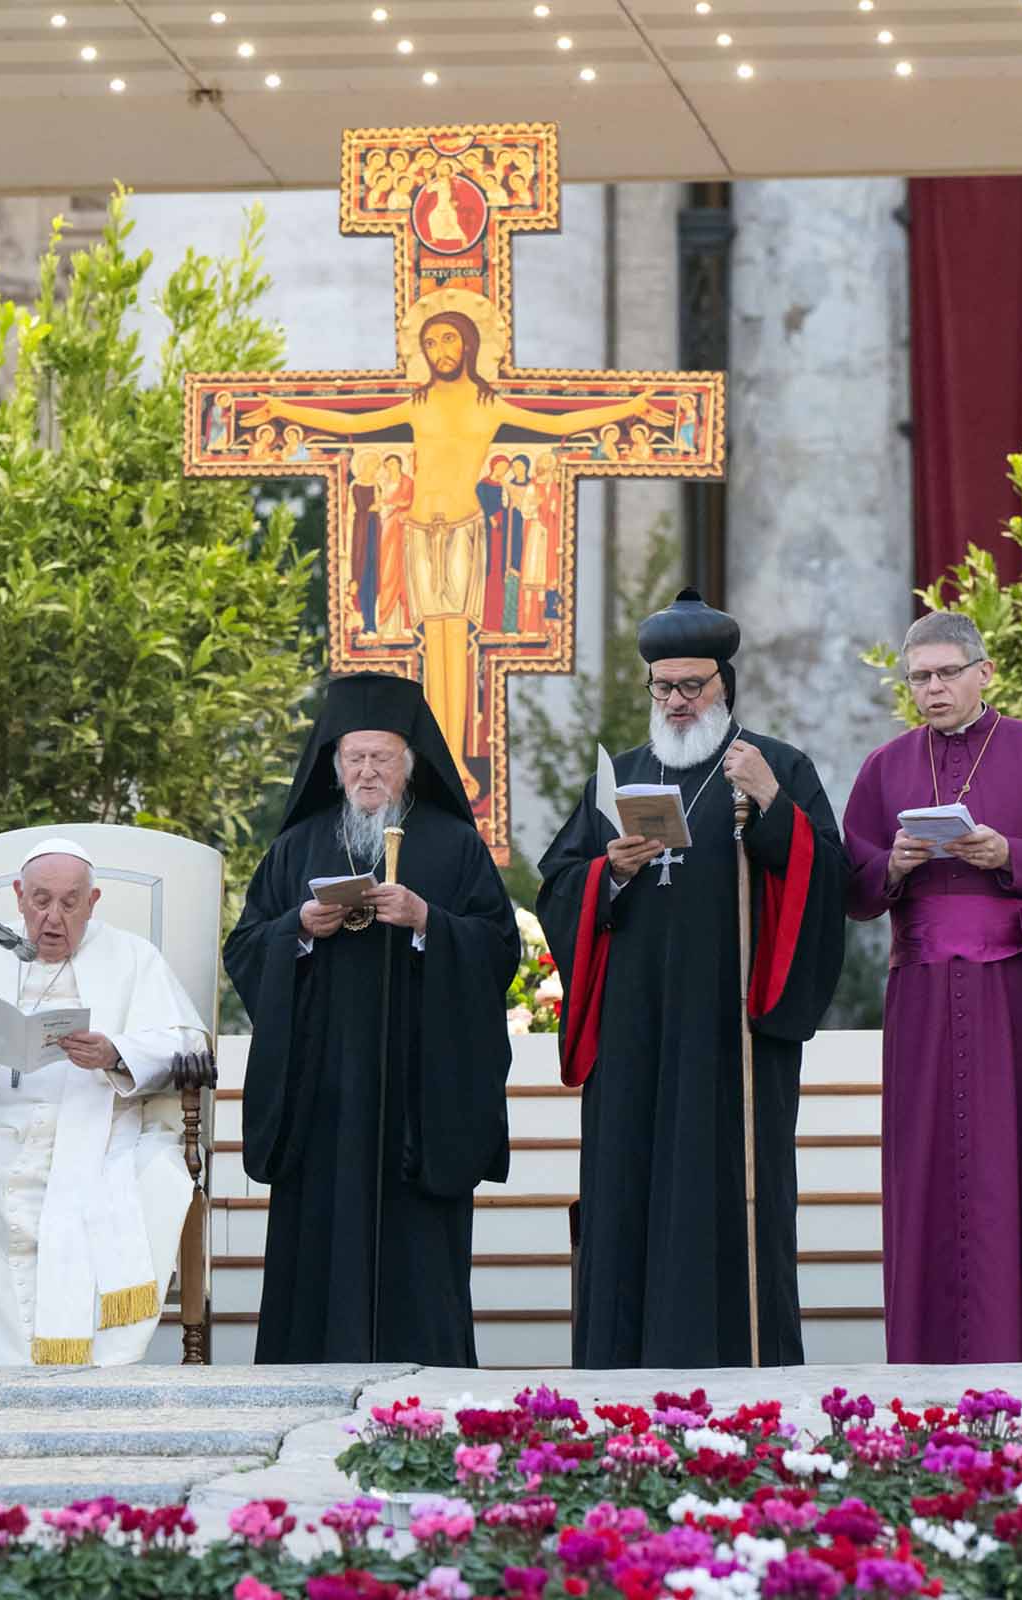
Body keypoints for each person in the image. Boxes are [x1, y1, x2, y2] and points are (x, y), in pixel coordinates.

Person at [536, 589, 847, 1368]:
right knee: (629, 1197)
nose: (676, 702)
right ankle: (619, 1368)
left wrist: (773, 805)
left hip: (730, 1036)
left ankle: (740, 1366)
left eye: (692, 687)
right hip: (637, 1033)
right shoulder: (624, 776)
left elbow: (829, 882)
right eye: (663, 688)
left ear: (724, 687)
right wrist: (607, 873)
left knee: (726, 1199)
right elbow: (558, 883)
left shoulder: (774, 765)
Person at [842, 611, 1022, 1364]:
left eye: (945, 673)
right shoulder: (885, 766)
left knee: (1010, 1177)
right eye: (920, 678)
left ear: (984, 673)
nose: (932, 690)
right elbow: (853, 887)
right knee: (923, 1175)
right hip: (922, 1000)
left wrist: (1011, 853)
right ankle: (922, 1357)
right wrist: (894, 866)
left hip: (1011, 999)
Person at [225, 673, 517, 1364]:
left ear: (407, 763)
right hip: (322, 1095)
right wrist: (296, 928)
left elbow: (498, 946)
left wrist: (426, 923)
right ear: (334, 763)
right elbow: (243, 946)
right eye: (354, 758)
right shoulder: (297, 847)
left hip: (419, 1097)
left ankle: (426, 1377)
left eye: (381, 758)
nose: (366, 771)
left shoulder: (453, 844)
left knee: (416, 1255)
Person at [250, 313, 668, 775]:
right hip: (417, 531)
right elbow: (351, 423)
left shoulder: (490, 406)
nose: (439, 349)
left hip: (464, 531)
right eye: (430, 342)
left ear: (468, 344)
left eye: (448, 338)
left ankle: (457, 763)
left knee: (458, 648)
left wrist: (627, 410)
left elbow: (561, 426)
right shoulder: (417, 404)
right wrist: (284, 411)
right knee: (433, 645)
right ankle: (441, 759)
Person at [0, 840, 208, 1367]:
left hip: (108, 1130)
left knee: (151, 1179)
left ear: (93, 901)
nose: (52, 918)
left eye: (69, 903)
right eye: (40, 901)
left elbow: (189, 1044)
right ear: (17, 896)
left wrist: (117, 1052)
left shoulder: (133, 957)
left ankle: (86, 1366)